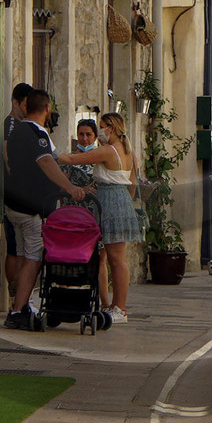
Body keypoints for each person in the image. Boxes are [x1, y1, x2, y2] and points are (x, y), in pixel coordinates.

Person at [1, 86, 92, 334]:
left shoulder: (17, 130)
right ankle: (18, 310)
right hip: (31, 208)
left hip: (15, 205)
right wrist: (71, 188)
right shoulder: (35, 133)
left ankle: (19, 306)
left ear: (25, 106)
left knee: (23, 255)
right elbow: (46, 162)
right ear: (47, 109)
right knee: (34, 258)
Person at [61, 110, 139, 321]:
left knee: (116, 259)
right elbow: (133, 183)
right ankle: (114, 305)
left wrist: (50, 155)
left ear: (111, 128)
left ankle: (119, 308)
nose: (101, 131)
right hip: (121, 200)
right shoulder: (128, 151)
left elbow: (74, 158)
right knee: (115, 258)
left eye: (102, 127)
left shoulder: (109, 150)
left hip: (110, 200)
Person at [1, 83, 32, 301]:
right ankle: (15, 296)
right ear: (15, 102)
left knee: (22, 249)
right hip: (15, 196)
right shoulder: (11, 123)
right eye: (26, 104)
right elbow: (7, 153)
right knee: (14, 248)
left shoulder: (23, 124)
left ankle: (21, 296)